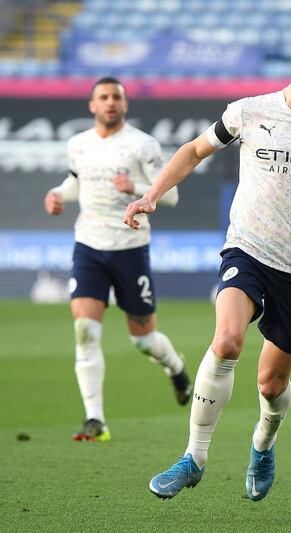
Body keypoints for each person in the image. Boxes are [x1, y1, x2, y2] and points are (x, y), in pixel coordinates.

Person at [123, 32, 291, 501]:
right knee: (227, 340)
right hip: (247, 250)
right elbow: (193, 151)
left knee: (272, 383)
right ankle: (194, 457)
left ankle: (263, 443)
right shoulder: (249, 111)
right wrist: (151, 195)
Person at [43, 77, 191, 443]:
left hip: (130, 248)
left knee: (143, 339)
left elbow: (170, 198)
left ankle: (176, 368)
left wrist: (137, 189)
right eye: (103, 97)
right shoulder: (78, 145)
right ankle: (95, 420)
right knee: (84, 331)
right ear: (92, 105)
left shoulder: (142, 145)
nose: (110, 102)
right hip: (89, 246)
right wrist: (58, 194)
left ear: (124, 105)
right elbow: (78, 181)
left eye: (116, 97)